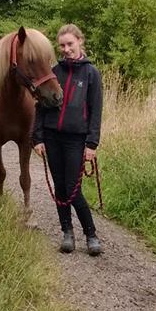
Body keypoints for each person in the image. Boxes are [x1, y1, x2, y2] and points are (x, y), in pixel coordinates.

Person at [32, 24, 103, 256]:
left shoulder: (91, 74)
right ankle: (67, 233)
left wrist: (91, 144)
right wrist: (38, 138)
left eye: (70, 44)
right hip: (52, 137)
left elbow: (96, 111)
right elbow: (41, 106)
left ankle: (90, 234)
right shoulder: (54, 71)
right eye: (62, 45)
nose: (66, 49)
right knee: (60, 187)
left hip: (76, 139)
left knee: (73, 188)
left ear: (80, 41)